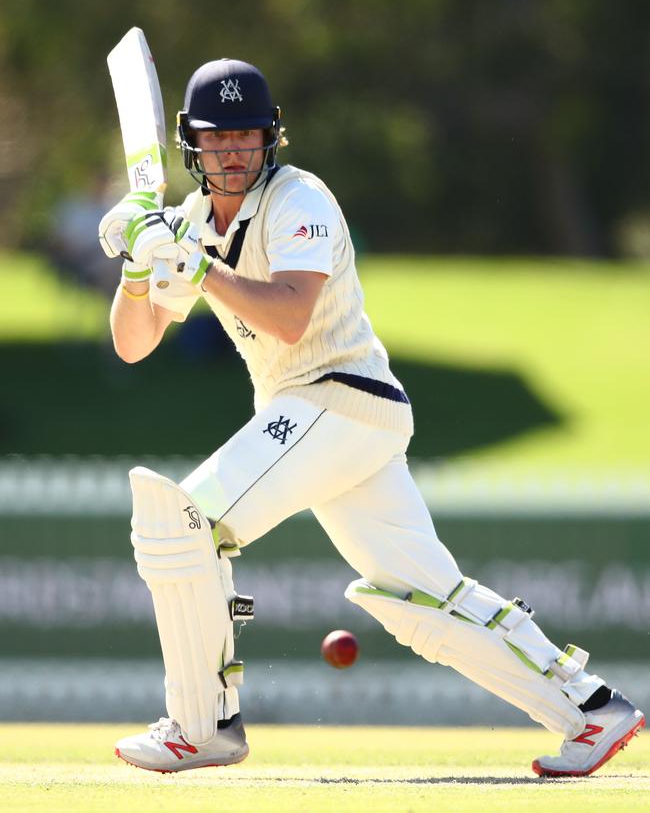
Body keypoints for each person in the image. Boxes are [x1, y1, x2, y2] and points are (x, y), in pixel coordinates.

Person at [98, 58, 644, 775]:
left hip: (337, 395)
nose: (233, 151)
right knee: (421, 599)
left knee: (184, 517)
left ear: (271, 139)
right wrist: (139, 270)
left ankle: (202, 724)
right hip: (327, 421)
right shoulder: (195, 222)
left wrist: (196, 266)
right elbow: (133, 344)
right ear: (192, 145)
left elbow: (291, 316)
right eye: (218, 137)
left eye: (247, 136)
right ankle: (592, 707)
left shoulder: (300, 201)